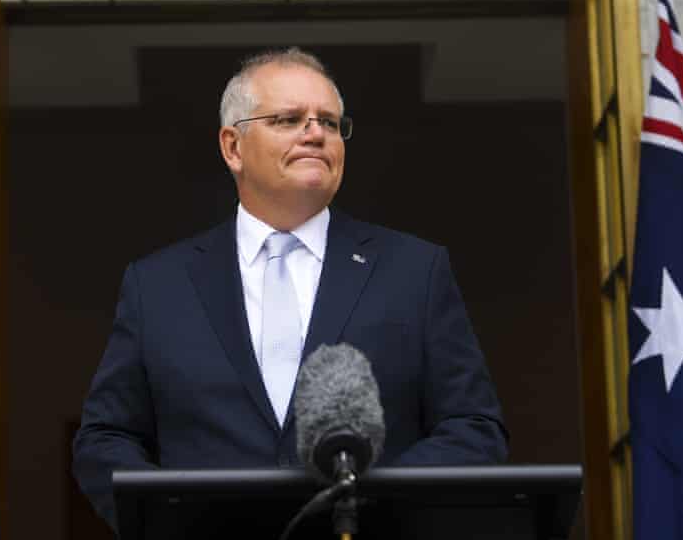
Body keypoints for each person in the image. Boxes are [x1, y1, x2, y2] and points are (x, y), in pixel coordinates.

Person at [72, 47, 509, 532]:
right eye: (288, 119)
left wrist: (370, 497)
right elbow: (106, 439)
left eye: (329, 121)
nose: (316, 132)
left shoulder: (415, 271)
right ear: (232, 147)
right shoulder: (158, 285)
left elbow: (474, 430)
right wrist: (170, 520)